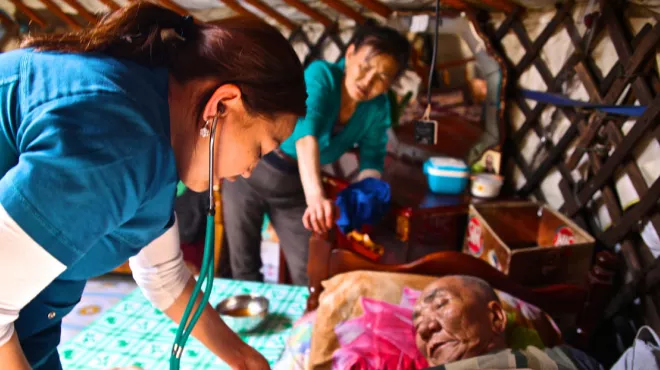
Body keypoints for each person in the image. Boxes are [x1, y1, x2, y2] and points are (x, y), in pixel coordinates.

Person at [0, 1, 307, 369]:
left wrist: (244, 359)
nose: (248, 171)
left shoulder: (158, 130)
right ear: (222, 105)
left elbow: (162, 274)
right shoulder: (120, 138)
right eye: (259, 149)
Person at [222, 20, 411, 286]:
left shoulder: (378, 108)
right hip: (252, 171)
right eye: (365, 66)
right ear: (350, 53)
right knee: (244, 267)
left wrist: (367, 190)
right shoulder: (322, 75)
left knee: (309, 273)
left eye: (382, 77)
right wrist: (316, 198)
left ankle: (303, 326)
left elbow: (373, 155)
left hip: (295, 185)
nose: (368, 81)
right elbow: (305, 136)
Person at [413, 275, 604, 370]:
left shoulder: (566, 360)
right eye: (417, 322)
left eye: (441, 304)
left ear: (496, 317)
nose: (423, 328)